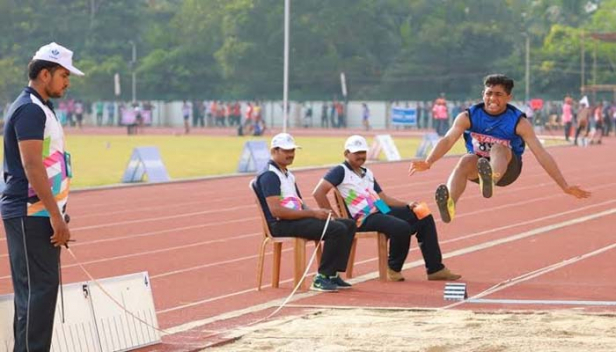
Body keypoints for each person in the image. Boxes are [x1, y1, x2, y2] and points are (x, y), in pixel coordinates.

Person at [409, 74, 591, 224]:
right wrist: (428, 161)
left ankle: (490, 179)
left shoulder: (518, 122)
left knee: (499, 147)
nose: (492, 99)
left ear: (508, 98)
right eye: (489, 93)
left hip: (508, 169)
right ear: (483, 94)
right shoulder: (468, 116)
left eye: (498, 94)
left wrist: (564, 185)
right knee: (465, 160)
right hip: (479, 165)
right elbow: (448, 139)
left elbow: (541, 154)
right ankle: (449, 204)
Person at [2, 42, 83, 351]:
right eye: (64, 75)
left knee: (39, 293)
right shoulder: (29, 110)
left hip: (38, 212)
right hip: (30, 212)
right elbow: (31, 164)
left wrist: (57, 210)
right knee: (37, 293)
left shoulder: (41, 107)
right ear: (45, 74)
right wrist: (53, 215)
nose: (67, 82)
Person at [312, 135, 461, 282]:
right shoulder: (340, 170)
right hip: (362, 218)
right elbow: (318, 192)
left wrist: (407, 205)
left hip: (379, 209)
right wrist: (335, 218)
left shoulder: (367, 173)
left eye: (363, 152)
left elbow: (382, 199)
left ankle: (435, 269)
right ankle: (393, 267)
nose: (360, 156)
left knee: (423, 215)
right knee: (401, 227)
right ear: (346, 154)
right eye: (356, 153)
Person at [254, 133, 356, 292]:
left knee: (348, 224)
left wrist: (318, 212)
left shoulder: (287, 174)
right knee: (336, 229)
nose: (291, 154)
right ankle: (321, 278)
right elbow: (276, 211)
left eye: (293, 151)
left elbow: (300, 203)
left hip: (295, 219)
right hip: (281, 224)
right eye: (286, 151)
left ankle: (332, 274)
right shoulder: (270, 175)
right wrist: (313, 214)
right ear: (274, 150)